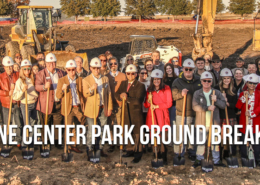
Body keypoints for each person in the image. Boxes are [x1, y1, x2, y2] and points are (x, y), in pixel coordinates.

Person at [192, 71, 226, 168]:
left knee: (215, 142)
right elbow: (195, 107)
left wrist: (217, 101)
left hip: (214, 122)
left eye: (209, 81)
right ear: (201, 81)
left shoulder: (217, 93)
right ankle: (199, 159)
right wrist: (207, 108)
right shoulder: (197, 93)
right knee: (200, 142)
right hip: (201, 122)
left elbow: (223, 105)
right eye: (204, 81)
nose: (206, 83)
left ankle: (216, 160)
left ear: (211, 82)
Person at [172, 58, 202, 162]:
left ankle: (192, 152)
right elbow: (173, 95)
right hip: (181, 112)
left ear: (193, 69)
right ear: (183, 69)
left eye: (190, 69)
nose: (188, 71)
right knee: (180, 135)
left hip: (195, 113)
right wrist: (181, 94)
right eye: (186, 69)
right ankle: (178, 153)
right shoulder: (177, 81)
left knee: (192, 134)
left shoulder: (199, 80)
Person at [115, 64, 146, 163]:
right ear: (126, 74)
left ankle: (138, 153)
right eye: (128, 73)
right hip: (126, 112)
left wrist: (127, 97)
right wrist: (120, 95)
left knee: (137, 133)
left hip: (136, 113)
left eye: (132, 74)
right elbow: (116, 94)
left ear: (136, 74)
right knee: (128, 131)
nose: (130, 75)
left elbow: (138, 100)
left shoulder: (141, 85)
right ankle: (130, 150)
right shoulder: (123, 83)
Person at [35, 53, 66, 149]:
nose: (51, 65)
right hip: (45, 104)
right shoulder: (41, 74)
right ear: (46, 64)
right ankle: (46, 142)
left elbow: (66, 80)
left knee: (58, 124)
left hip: (58, 103)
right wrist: (44, 87)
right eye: (49, 63)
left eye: (53, 63)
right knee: (45, 124)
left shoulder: (61, 73)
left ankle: (57, 141)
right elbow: (37, 86)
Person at [83, 57, 112, 158]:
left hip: (103, 108)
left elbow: (108, 94)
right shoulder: (86, 80)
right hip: (92, 109)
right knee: (91, 130)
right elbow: (85, 93)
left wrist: (109, 107)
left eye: (98, 68)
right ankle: (90, 149)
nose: (96, 70)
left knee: (103, 129)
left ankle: (99, 148)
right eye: (94, 68)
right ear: (90, 68)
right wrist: (91, 89)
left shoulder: (105, 79)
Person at [144, 69, 172, 165]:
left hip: (162, 114)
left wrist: (157, 106)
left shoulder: (166, 88)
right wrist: (148, 100)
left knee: (163, 136)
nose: (156, 81)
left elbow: (169, 103)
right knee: (154, 135)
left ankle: (164, 156)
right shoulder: (149, 90)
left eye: (158, 79)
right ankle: (156, 154)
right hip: (153, 115)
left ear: (161, 80)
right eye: (154, 79)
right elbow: (146, 105)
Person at [56, 60, 85, 153]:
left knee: (79, 126)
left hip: (78, 107)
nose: (71, 72)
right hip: (68, 108)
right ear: (66, 70)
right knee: (68, 128)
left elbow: (83, 93)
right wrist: (63, 90)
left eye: (73, 69)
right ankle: (67, 147)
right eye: (69, 70)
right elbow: (58, 95)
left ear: (76, 69)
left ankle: (74, 145)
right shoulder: (62, 80)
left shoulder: (80, 80)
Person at [236, 73, 260, 166]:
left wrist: (252, 114)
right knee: (243, 142)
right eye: (250, 83)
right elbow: (238, 106)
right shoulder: (243, 93)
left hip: (255, 122)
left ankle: (257, 158)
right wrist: (243, 98)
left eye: (254, 83)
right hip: (245, 122)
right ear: (247, 83)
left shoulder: (259, 93)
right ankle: (244, 158)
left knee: (256, 143)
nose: (252, 85)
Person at [13, 59, 38, 148]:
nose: (27, 71)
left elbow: (36, 91)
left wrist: (36, 96)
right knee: (26, 125)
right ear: (22, 70)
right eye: (25, 69)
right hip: (25, 105)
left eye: (28, 69)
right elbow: (15, 96)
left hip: (33, 104)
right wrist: (22, 91)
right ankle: (24, 144)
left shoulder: (33, 79)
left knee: (33, 123)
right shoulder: (19, 81)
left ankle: (30, 143)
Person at [214, 68, 238, 161]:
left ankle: (228, 153)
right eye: (225, 78)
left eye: (228, 78)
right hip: (220, 115)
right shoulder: (217, 89)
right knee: (219, 136)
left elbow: (236, 105)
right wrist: (221, 101)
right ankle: (218, 154)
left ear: (231, 79)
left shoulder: (233, 90)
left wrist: (228, 103)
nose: (226, 80)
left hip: (230, 115)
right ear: (222, 79)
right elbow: (215, 102)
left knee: (229, 135)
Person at [105, 57, 126, 153]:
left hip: (120, 104)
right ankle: (111, 143)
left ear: (118, 64)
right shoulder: (105, 77)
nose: (113, 65)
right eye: (111, 64)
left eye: (115, 63)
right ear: (108, 66)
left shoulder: (123, 76)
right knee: (110, 124)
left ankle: (120, 142)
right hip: (109, 104)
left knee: (120, 124)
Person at [0, 56, 22, 146]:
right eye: (7, 66)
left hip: (16, 102)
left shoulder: (17, 75)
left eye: (11, 66)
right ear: (4, 67)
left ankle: (18, 140)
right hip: (6, 104)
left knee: (18, 122)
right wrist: (7, 93)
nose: (10, 68)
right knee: (6, 123)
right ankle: (6, 140)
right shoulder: (1, 77)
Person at [138, 68, 151, 153]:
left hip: (148, 108)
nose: (144, 74)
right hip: (139, 107)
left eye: (145, 73)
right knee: (141, 126)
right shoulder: (137, 83)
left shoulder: (150, 83)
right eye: (142, 73)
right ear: (139, 74)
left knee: (147, 126)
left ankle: (148, 143)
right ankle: (142, 143)